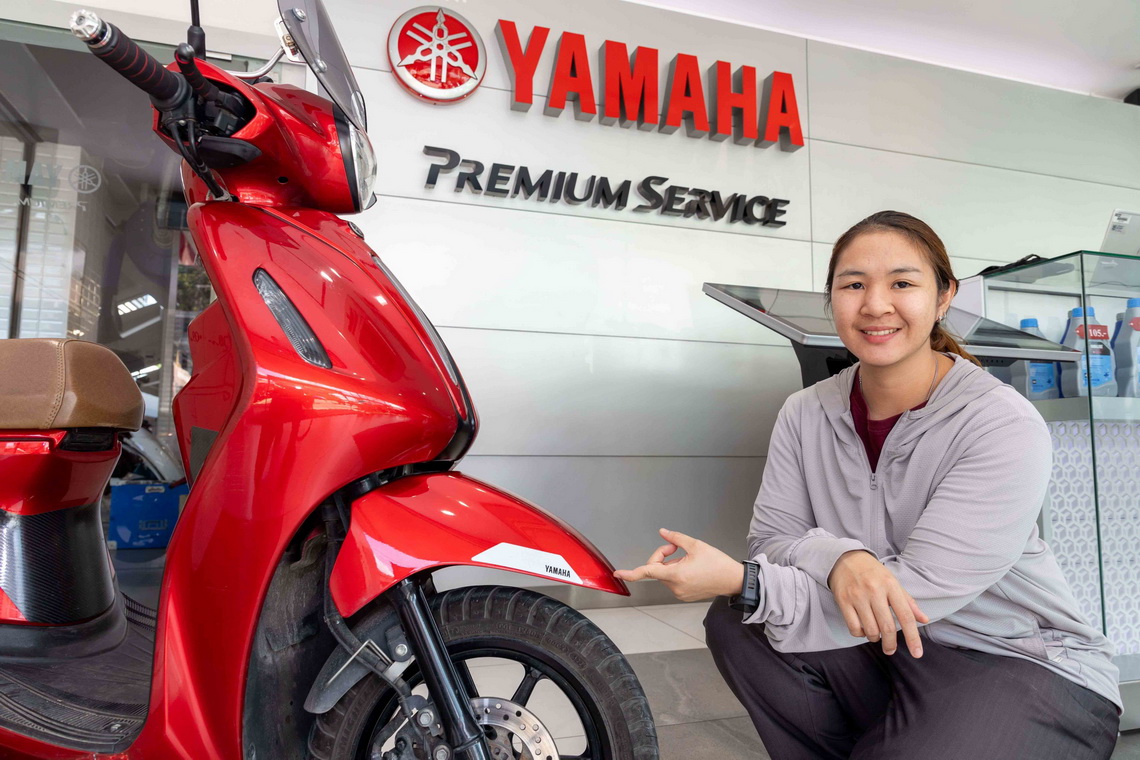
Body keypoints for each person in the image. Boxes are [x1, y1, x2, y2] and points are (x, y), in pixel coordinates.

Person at [615, 211, 1122, 759]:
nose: (876, 305)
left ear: (944, 296)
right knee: (740, 621)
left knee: (754, 595)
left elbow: (921, 588)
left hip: (1015, 659)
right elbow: (772, 540)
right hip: (887, 648)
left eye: (902, 283)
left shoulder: (999, 423)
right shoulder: (805, 412)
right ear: (831, 297)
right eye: (854, 285)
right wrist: (840, 559)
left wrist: (751, 580)